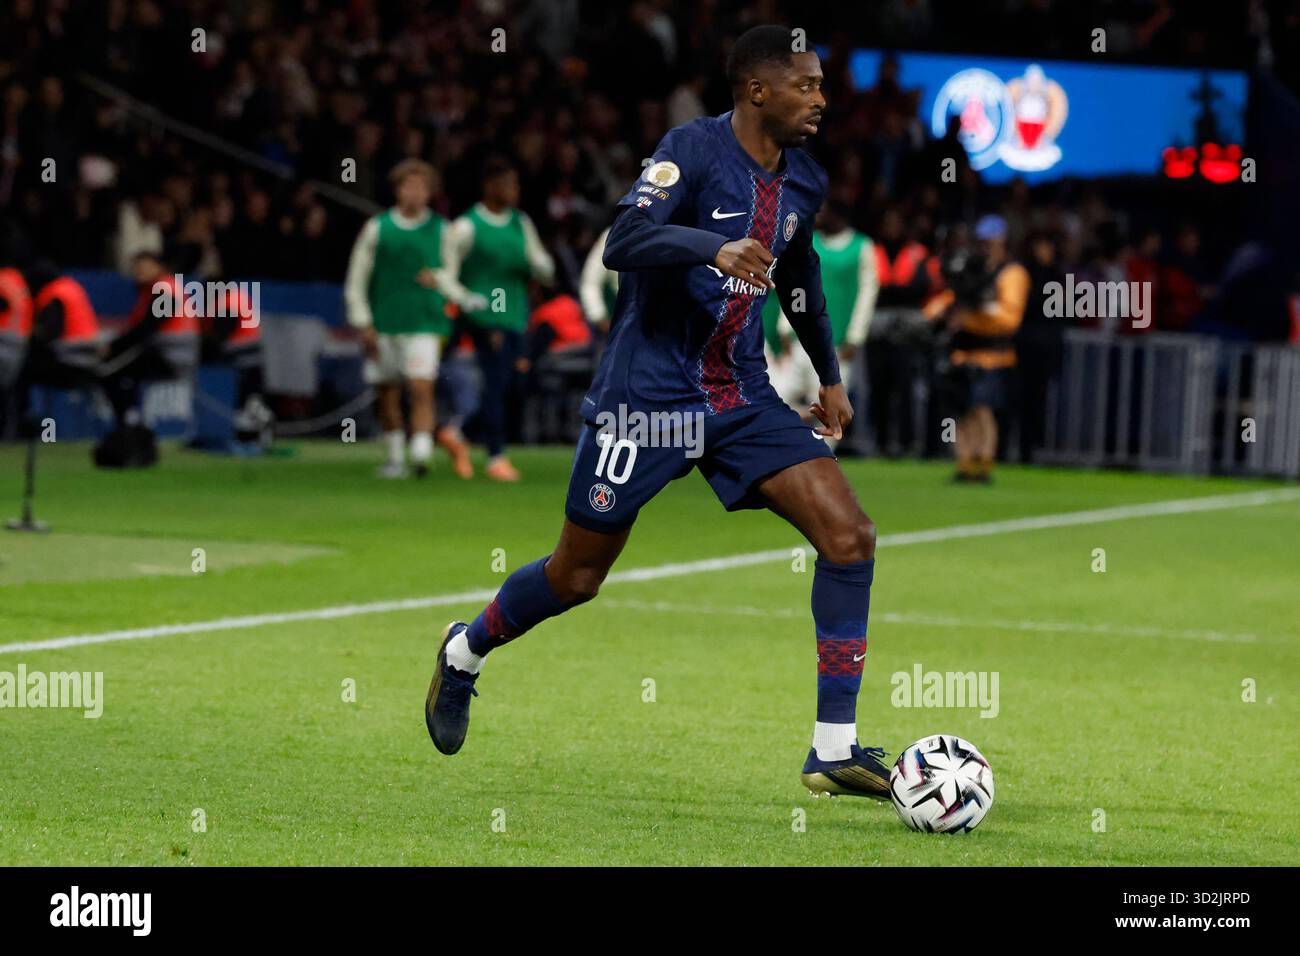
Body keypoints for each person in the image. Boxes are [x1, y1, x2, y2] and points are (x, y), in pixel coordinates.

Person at [425, 25, 891, 800]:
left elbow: (800, 275)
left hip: (741, 396)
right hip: (645, 403)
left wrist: (829, 374)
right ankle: (464, 653)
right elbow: (624, 240)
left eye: (821, 87)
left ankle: (832, 750)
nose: (820, 100)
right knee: (576, 576)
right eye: (805, 86)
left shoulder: (804, 181)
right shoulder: (694, 150)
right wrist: (710, 250)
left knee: (851, 536)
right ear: (755, 90)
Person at [345, 159, 479, 479]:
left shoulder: (442, 230)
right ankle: (395, 458)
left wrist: (453, 290)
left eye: (422, 187)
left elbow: (449, 273)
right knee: (387, 393)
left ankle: (420, 452)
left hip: (425, 322)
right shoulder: (378, 228)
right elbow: (357, 279)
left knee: (421, 387)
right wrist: (362, 321)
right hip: (385, 322)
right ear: (398, 189)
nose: (415, 193)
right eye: (409, 186)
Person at [447, 157, 555, 482]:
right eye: (507, 184)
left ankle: (457, 430)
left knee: (511, 383)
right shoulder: (467, 226)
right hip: (484, 315)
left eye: (516, 184)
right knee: (495, 382)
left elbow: (541, 265)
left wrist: (540, 266)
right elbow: (446, 272)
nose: (513, 190)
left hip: (514, 314)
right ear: (489, 187)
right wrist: (468, 301)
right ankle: (495, 455)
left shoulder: (520, 223)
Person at [926, 215, 1029, 482]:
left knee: (982, 408)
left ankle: (983, 462)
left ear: (1002, 241)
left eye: (990, 241)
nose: (985, 246)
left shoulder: (1011, 273)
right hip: (963, 351)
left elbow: (1010, 318)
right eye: (982, 241)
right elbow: (955, 295)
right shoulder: (973, 268)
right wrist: (937, 311)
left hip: (992, 355)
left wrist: (974, 315)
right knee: (962, 409)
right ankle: (965, 462)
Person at [99, 250, 199, 429]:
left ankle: (128, 423)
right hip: (164, 351)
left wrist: (112, 347)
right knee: (121, 370)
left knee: (108, 371)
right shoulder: (153, 290)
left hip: (170, 355)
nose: (139, 271)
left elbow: (146, 329)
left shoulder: (165, 291)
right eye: (136, 268)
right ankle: (129, 421)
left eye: (145, 267)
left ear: (159, 267)